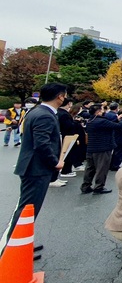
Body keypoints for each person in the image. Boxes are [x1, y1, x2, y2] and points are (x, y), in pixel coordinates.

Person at [0, 83, 66, 257]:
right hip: (36, 169)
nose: (65, 98)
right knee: (27, 209)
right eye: (64, 95)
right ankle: (14, 246)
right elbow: (42, 144)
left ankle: (22, 241)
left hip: (33, 167)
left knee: (28, 209)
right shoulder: (45, 115)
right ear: (59, 96)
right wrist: (55, 162)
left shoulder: (37, 112)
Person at [82, 104, 122, 195]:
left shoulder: (91, 120)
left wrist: (118, 118)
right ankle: (99, 187)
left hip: (91, 147)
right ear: (98, 112)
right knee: (102, 168)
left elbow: (110, 123)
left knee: (90, 168)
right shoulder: (101, 121)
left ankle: (86, 186)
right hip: (103, 147)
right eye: (102, 110)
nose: (104, 111)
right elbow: (118, 126)